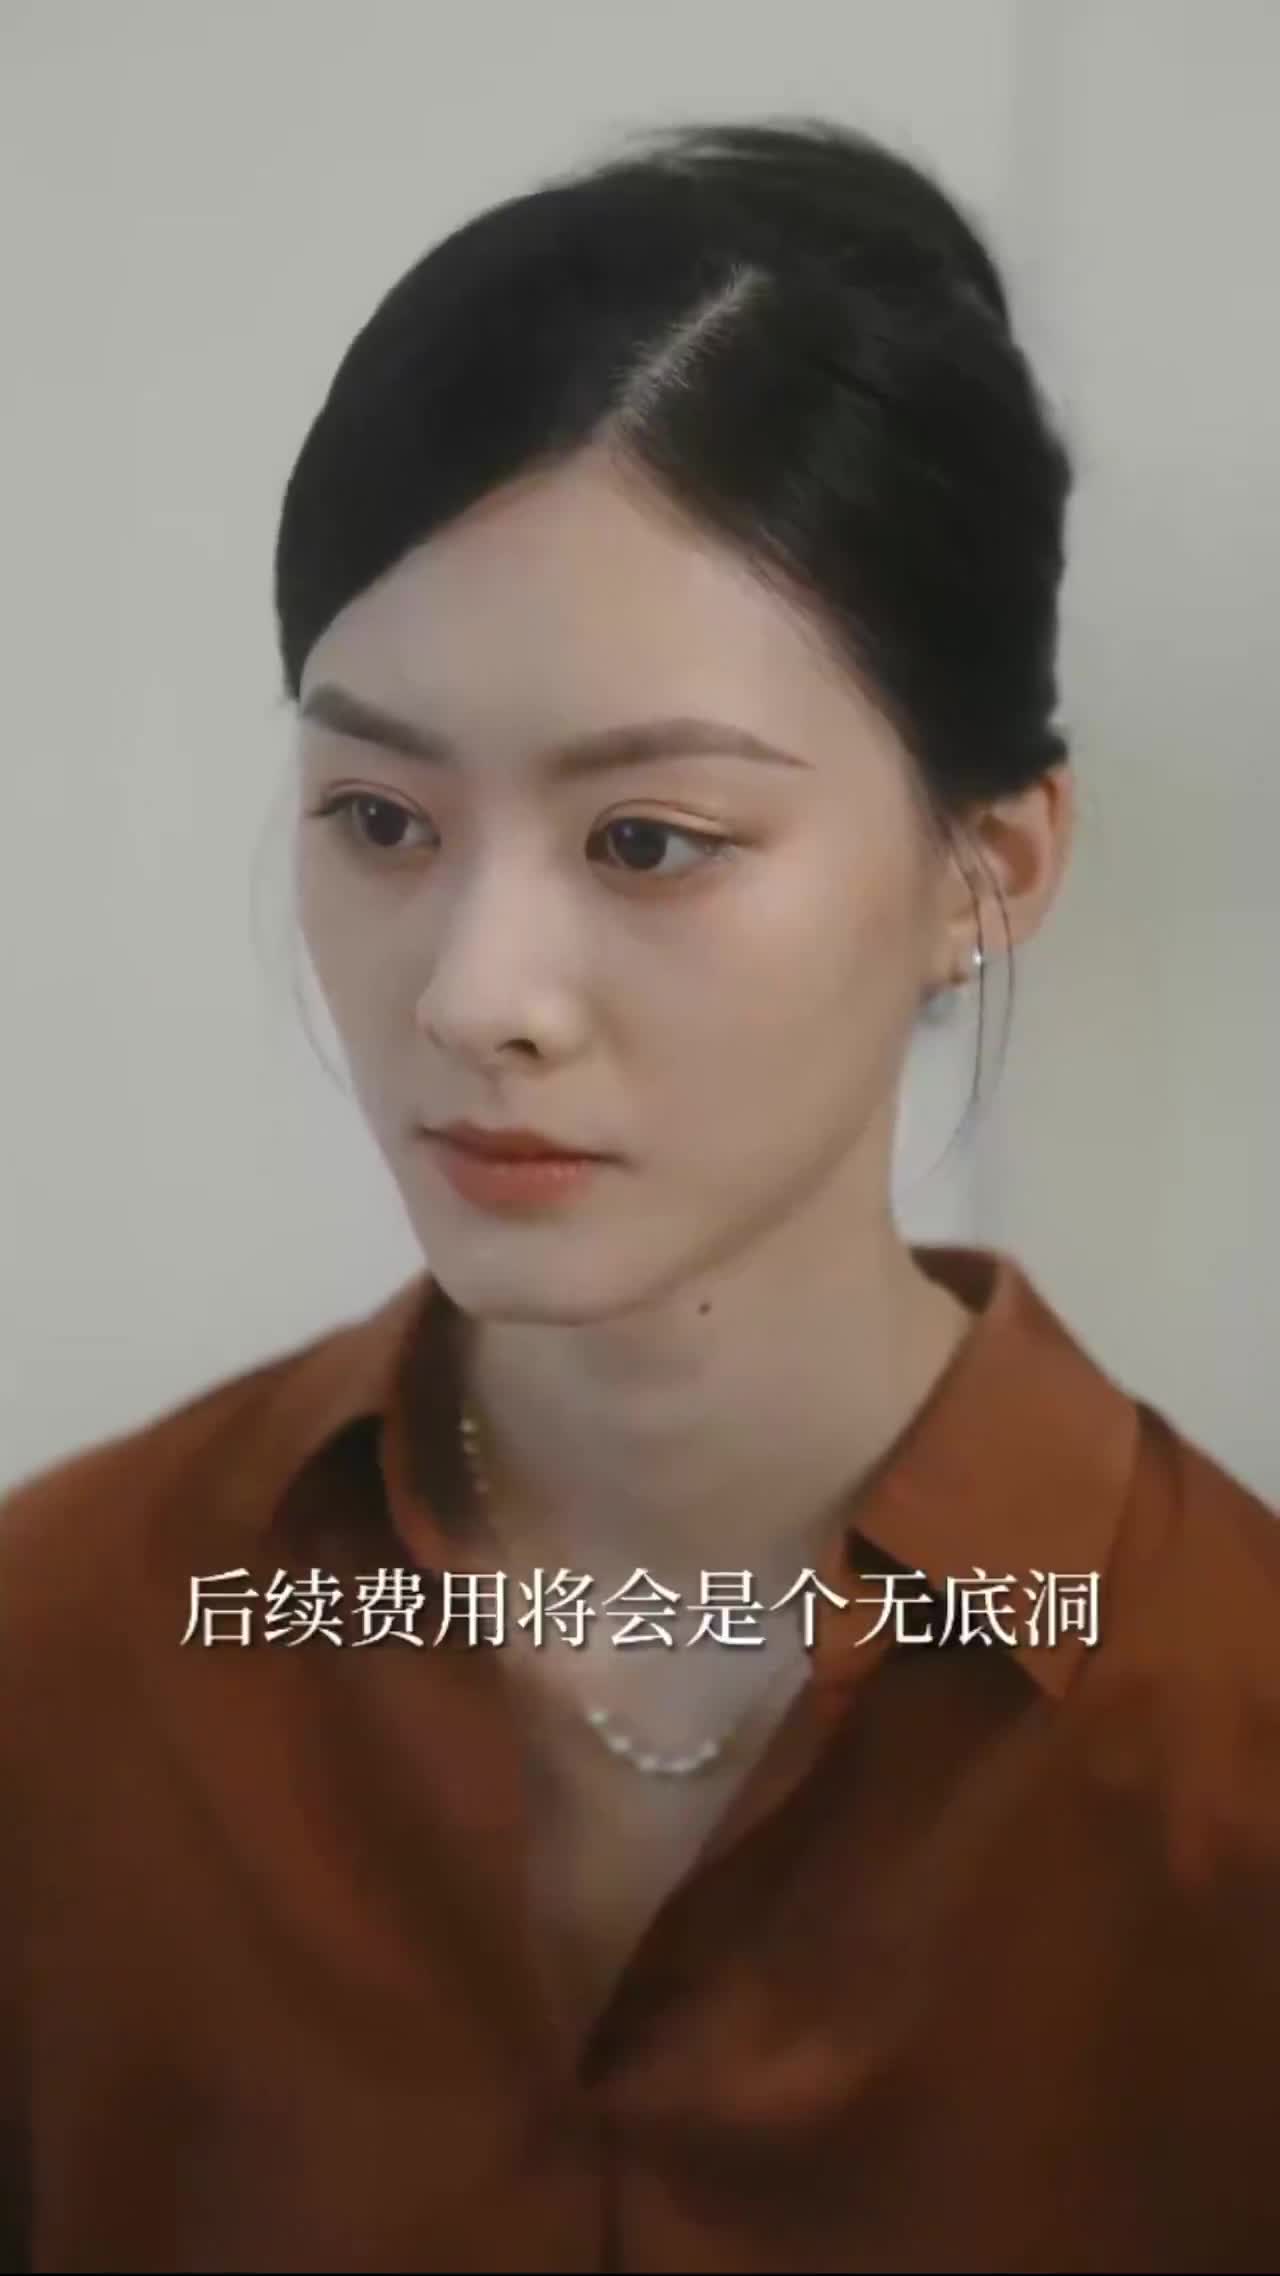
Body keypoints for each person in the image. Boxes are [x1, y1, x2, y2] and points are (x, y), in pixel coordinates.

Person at [2, 114, 1277, 2276]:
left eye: (649, 840)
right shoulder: (67, 1655)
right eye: (381, 818)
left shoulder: (1226, 1749)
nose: (474, 997)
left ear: (987, 870)